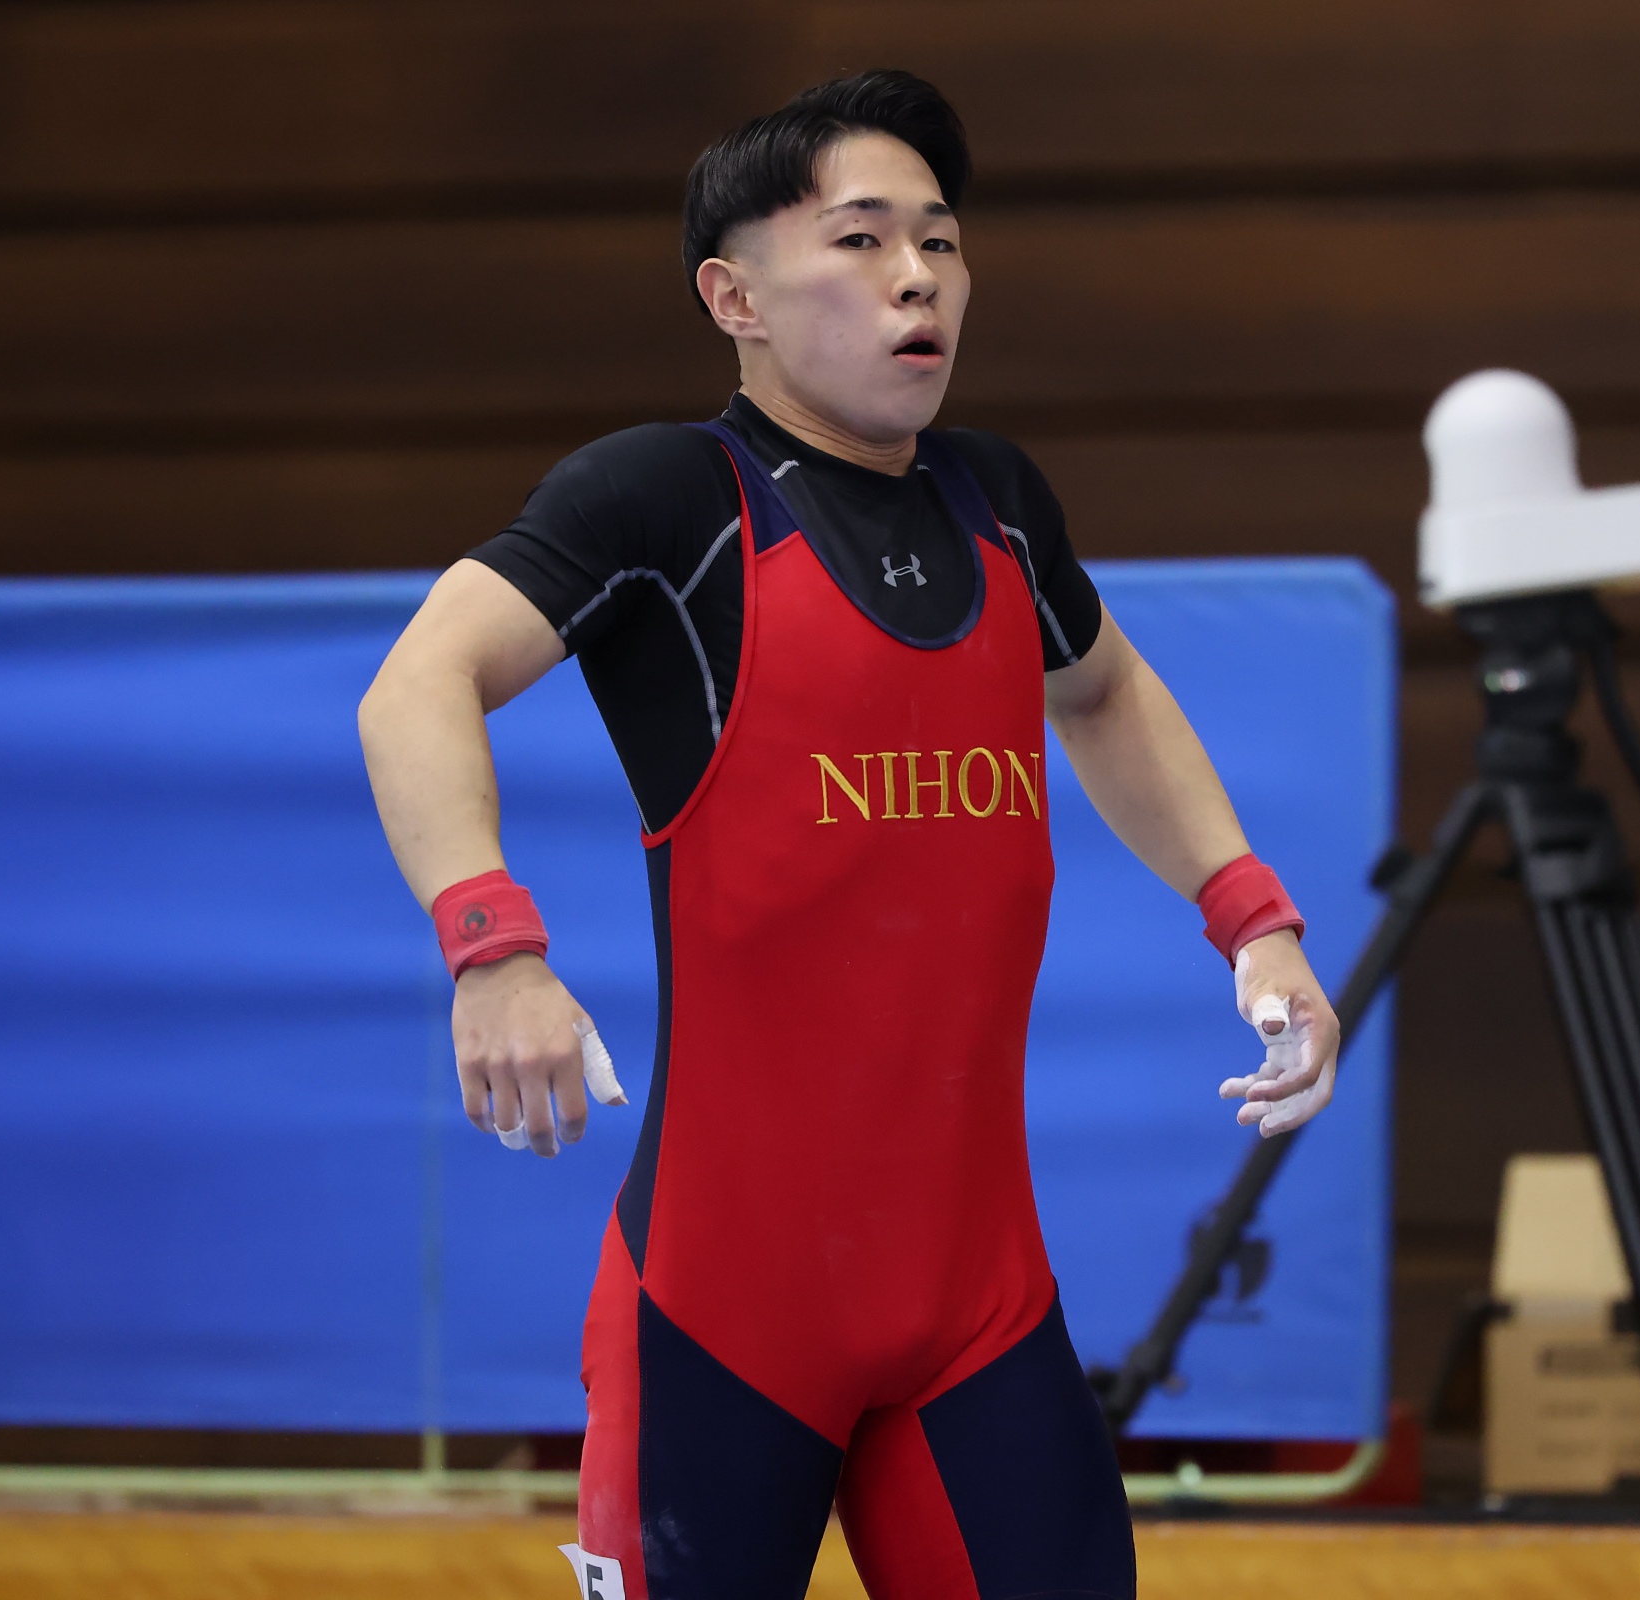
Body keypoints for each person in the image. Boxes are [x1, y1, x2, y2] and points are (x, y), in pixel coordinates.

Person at [358, 69, 1339, 1600]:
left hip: (978, 1313)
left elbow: (1105, 691)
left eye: (940, 242)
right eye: (864, 239)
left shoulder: (997, 500)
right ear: (734, 296)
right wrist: (492, 948)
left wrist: (1254, 919)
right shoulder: (663, 500)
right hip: (723, 1317)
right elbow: (418, 683)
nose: (918, 277)